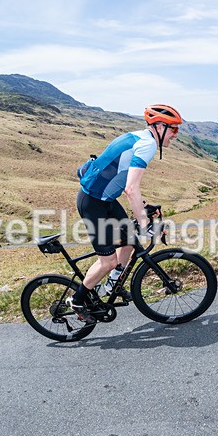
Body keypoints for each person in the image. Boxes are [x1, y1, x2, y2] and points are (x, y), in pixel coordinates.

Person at [67, 104, 182, 325]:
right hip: (93, 204)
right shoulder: (147, 145)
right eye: (173, 129)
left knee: (129, 241)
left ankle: (112, 285)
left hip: (105, 200)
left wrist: (144, 206)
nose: (175, 135)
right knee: (108, 260)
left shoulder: (138, 137)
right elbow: (130, 189)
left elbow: (120, 178)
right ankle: (78, 300)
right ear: (159, 126)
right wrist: (144, 221)